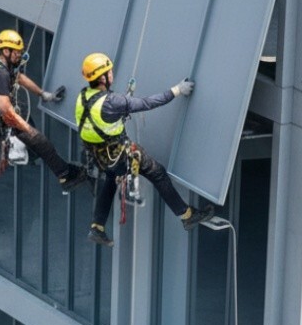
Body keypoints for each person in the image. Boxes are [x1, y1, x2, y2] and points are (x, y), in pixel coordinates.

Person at [75, 52, 216, 247]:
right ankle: (187, 215)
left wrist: (122, 105)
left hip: (98, 155)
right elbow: (147, 103)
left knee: (111, 178)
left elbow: (100, 118)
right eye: (109, 72)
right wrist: (177, 90)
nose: (112, 74)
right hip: (118, 154)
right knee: (157, 172)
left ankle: (97, 226)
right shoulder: (112, 102)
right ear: (102, 77)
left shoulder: (83, 97)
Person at [0, 29, 87, 190]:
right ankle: (65, 176)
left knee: (34, 138)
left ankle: (32, 152)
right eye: (17, 53)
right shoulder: (0, 74)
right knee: (42, 142)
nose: (19, 56)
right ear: (6, 51)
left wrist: (43, 94)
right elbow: (5, 108)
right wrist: (28, 130)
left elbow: (19, 77)